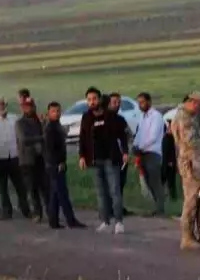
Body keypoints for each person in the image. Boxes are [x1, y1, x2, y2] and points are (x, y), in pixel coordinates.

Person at [78, 86, 129, 234]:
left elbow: (122, 135)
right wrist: (82, 156)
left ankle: (119, 222)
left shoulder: (111, 116)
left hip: (111, 159)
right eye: (89, 100)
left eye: (94, 99)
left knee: (115, 191)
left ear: (100, 99)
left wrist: (125, 151)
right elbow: (83, 138)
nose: (92, 102)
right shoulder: (86, 117)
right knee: (101, 193)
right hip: (94, 160)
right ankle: (105, 221)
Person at [171, 93, 200, 250]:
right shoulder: (185, 119)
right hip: (191, 162)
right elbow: (191, 141)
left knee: (193, 199)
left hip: (193, 161)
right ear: (192, 103)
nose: (199, 109)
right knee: (191, 201)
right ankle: (187, 237)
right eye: (199, 105)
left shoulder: (185, 117)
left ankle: (191, 234)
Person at [0, 97, 31, 220]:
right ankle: (7, 211)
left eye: (3, 104)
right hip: (0, 158)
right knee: (3, 187)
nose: (1, 106)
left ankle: (25, 210)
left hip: (15, 157)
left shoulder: (14, 118)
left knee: (20, 186)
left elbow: (20, 137)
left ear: (6, 105)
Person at [43, 102, 84, 229]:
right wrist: (59, 162)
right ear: (49, 113)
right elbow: (51, 149)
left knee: (55, 194)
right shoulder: (50, 128)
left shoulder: (57, 126)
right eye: (54, 111)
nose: (57, 113)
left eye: (58, 111)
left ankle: (53, 221)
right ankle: (70, 220)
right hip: (55, 164)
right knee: (62, 193)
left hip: (56, 163)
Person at [15, 97, 48, 223]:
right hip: (27, 160)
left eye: (31, 106)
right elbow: (24, 140)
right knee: (32, 188)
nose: (29, 108)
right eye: (26, 106)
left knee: (44, 187)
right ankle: (37, 213)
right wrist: (41, 138)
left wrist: (44, 123)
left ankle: (50, 211)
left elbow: (46, 135)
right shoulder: (20, 123)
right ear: (23, 108)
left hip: (40, 158)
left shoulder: (38, 121)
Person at [133, 93, 166, 216]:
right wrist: (135, 146)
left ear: (149, 102)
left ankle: (160, 209)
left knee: (155, 181)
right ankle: (156, 207)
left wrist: (140, 147)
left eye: (142, 102)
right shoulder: (142, 117)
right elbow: (139, 134)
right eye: (139, 103)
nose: (140, 105)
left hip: (153, 153)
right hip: (142, 153)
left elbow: (153, 137)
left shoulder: (156, 116)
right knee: (148, 181)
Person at [106, 93, 134, 214]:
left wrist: (126, 152)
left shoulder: (121, 120)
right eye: (114, 102)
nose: (117, 105)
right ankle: (109, 208)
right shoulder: (104, 120)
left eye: (119, 102)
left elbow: (127, 135)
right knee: (112, 184)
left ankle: (118, 207)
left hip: (122, 156)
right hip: (109, 157)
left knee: (120, 183)